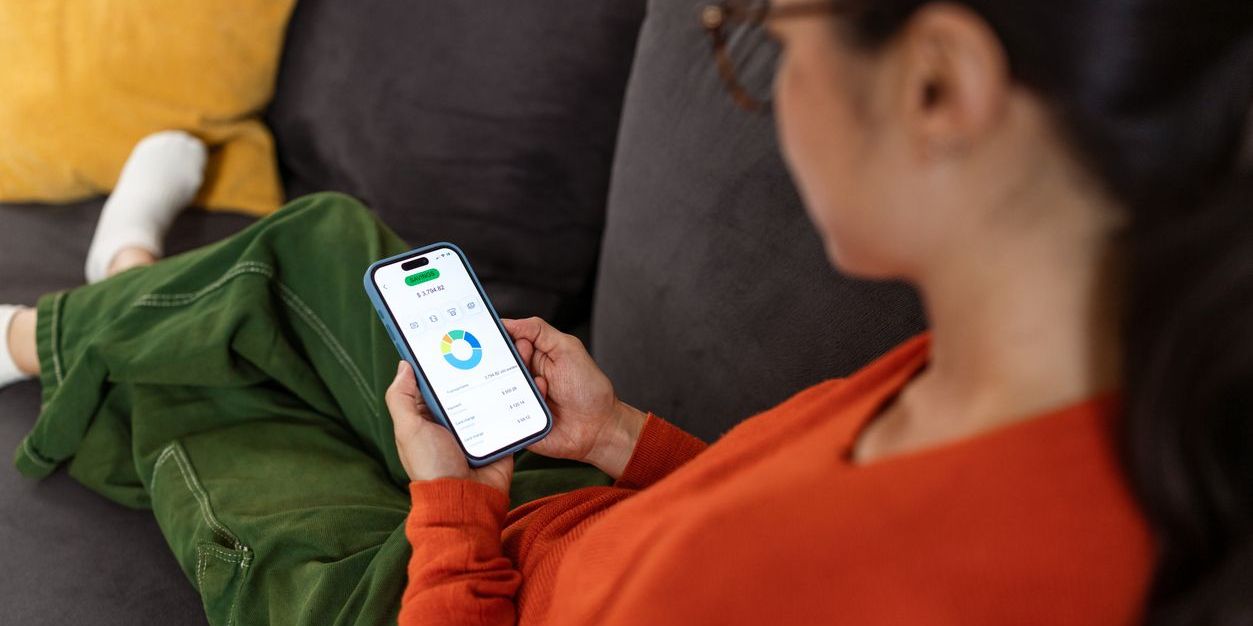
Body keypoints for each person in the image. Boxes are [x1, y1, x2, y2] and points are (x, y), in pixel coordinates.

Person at [3, 0, 1251, 624]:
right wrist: (615, 436)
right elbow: (761, 499)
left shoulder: (893, 576)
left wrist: (453, 515)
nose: (770, 84)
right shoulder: (1012, 373)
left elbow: (760, 559)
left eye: (761, 41)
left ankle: (79, 299)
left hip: (441, 590)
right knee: (331, 243)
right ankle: (110, 286)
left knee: (217, 414)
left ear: (936, 86)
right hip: (563, 511)